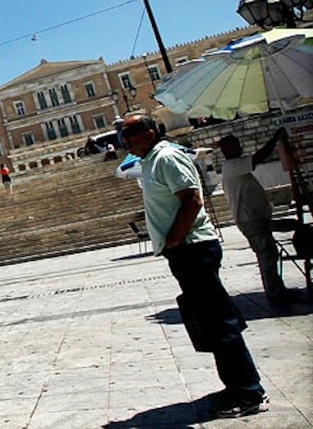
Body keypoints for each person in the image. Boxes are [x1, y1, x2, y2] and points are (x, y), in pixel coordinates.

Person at [121, 114, 268, 419]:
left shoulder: (167, 157)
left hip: (193, 248)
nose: (124, 140)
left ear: (149, 133)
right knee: (211, 321)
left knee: (219, 320)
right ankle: (235, 386)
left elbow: (191, 199)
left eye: (130, 133)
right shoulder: (151, 161)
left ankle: (249, 391)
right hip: (185, 250)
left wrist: (175, 238)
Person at [218, 130, 301, 303]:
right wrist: (275, 139)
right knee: (266, 254)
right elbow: (258, 158)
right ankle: (274, 292)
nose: (238, 149)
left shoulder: (234, 166)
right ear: (226, 150)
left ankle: (277, 288)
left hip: (255, 218)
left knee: (269, 253)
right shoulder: (233, 166)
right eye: (232, 147)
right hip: (250, 219)